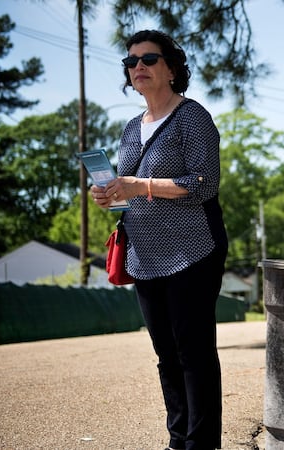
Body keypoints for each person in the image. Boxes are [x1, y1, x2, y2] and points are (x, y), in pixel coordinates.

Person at [90, 29, 228, 450]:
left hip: (193, 250)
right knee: (166, 354)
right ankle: (177, 440)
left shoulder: (193, 116)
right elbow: (126, 192)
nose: (138, 68)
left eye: (148, 59)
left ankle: (201, 444)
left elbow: (204, 183)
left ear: (171, 68)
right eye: (130, 62)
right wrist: (109, 195)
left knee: (194, 353)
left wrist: (138, 185)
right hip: (145, 253)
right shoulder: (132, 128)